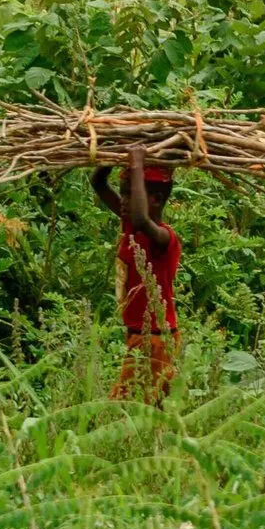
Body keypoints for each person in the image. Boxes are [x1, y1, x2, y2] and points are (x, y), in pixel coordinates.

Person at [91, 163, 181, 401]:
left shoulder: (164, 238)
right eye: (123, 192)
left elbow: (142, 218)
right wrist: (109, 152)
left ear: (156, 200)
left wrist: (138, 162)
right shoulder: (131, 227)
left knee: (123, 405)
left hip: (155, 338)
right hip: (139, 335)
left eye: (130, 194)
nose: (123, 200)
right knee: (152, 405)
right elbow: (98, 184)